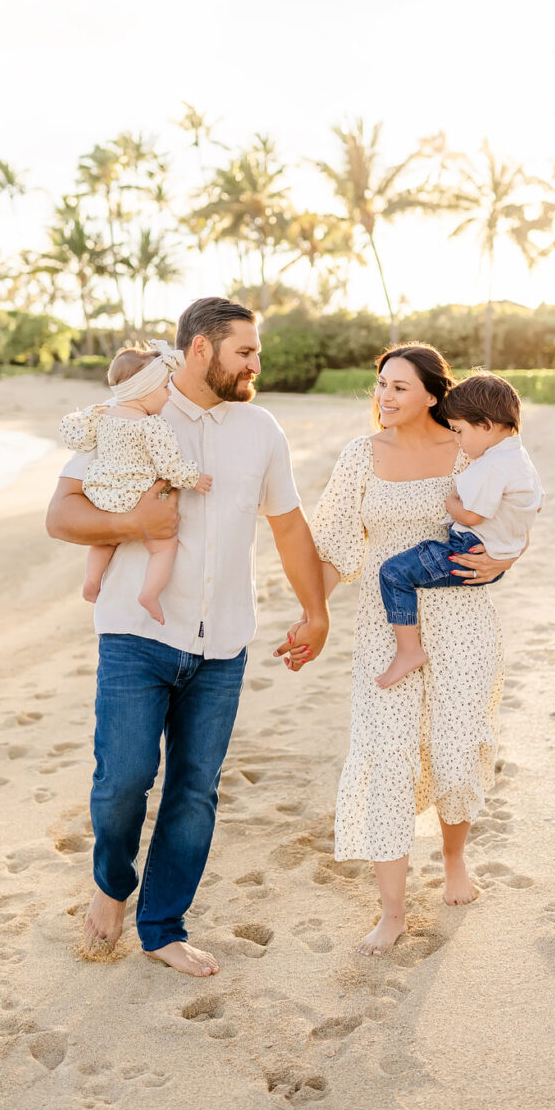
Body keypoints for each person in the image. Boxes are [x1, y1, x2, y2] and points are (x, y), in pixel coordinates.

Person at [45, 297, 329, 977]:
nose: (256, 364)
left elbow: (287, 526)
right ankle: (113, 885)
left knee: (195, 790)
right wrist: (135, 524)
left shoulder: (260, 429)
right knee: (123, 783)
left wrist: (314, 611)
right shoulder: (133, 413)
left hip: (223, 643)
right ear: (201, 350)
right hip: (135, 633)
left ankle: (163, 927)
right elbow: (61, 515)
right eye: (245, 352)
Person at [300, 343, 514, 956]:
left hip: (463, 619)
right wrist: (311, 616)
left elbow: (510, 517)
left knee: (453, 746)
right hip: (383, 629)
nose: (384, 397)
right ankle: (392, 913)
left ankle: (453, 863)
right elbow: (334, 547)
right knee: (385, 753)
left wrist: (507, 557)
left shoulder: (468, 447)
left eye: (399, 387)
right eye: (380, 385)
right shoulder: (360, 457)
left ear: (430, 393)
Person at [375, 371, 542, 688]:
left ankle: (409, 651)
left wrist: (451, 502)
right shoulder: (519, 458)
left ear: (486, 426)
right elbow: (535, 506)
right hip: (490, 553)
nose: (458, 440)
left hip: (467, 551)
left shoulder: (493, 464)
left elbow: (472, 516)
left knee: (395, 573)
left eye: (460, 431)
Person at [58, 341, 213, 620]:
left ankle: (92, 582)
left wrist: (75, 417)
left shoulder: (102, 416)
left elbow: (78, 439)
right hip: (136, 495)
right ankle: (149, 594)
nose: (168, 395)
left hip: (102, 494)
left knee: (104, 541)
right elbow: (169, 465)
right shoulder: (152, 425)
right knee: (164, 546)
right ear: (144, 391)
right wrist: (194, 479)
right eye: (165, 387)